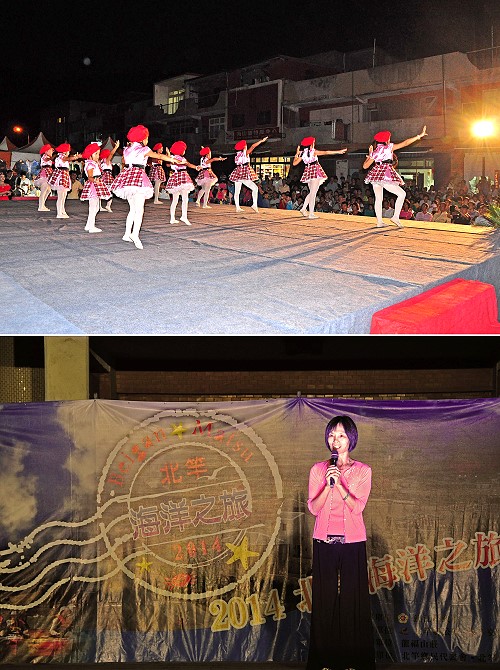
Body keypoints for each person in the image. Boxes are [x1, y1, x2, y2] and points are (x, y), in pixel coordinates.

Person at [307, 415, 374, 670]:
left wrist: (341, 486)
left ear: (351, 439)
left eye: (341, 435)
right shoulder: (318, 470)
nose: (335, 440)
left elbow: (357, 508)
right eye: (332, 435)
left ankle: (352, 661)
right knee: (324, 601)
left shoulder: (363, 471)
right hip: (323, 541)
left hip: (352, 542)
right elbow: (313, 508)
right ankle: (324, 661)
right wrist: (328, 484)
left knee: (351, 600)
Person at [111, 125, 178, 249]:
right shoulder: (144, 149)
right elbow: (159, 156)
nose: (147, 140)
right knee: (139, 209)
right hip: (138, 177)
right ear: (142, 138)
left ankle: (127, 234)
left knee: (132, 209)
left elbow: (124, 162)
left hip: (127, 177)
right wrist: (173, 159)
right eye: (146, 138)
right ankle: (135, 234)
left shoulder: (127, 149)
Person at [363, 126, 427, 228]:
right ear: (386, 140)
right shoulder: (388, 147)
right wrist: (419, 136)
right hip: (385, 174)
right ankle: (395, 217)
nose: (390, 140)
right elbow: (405, 143)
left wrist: (370, 154)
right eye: (389, 138)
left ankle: (379, 222)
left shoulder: (375, 151)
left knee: (378, 198)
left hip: (376, 175)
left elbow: (365, 166)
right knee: (402, 194)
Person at [293, 137, 347, 219]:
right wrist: (338, 152)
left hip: (308, 172)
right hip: (314, 171)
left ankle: (304, 208)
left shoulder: (302, 153)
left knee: (312, 193)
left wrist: (297, 154)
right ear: (311, 144)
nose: (314, 143)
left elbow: (294, 163)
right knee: (313, 194)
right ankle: (311, 213)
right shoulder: (313, 152)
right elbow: (326, 152)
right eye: (313, 142)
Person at [80, 142, 113, 233]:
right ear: (90, 155)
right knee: (93, 207)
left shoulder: (93, 163)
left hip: (96, 184)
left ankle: (89, 225)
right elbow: (90, 177)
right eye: (96, 154)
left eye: (98, 153)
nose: (98, 156)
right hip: (93, 186)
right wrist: (95, 180)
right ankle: (91, 226)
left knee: (95, 207)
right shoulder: (90, 164)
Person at [229, 136, 268, 213]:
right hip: (243, 172)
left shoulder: (237, 155)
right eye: (246, 145)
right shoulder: (245, 153)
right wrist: (261, 141)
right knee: (255, 188)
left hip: (238, 172)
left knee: (237, 191)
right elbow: (253, 146)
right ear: (244, 147)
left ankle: (237, 207)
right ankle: (254, 205)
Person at [165, 140, 198, 225]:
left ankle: (173, 218)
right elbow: (188, 164)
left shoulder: (172, 158)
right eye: (184, 150)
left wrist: (168, 155)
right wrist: (196, 167)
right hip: (182, 177)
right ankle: (183, 217)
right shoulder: (178, 158)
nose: (184, 152)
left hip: (176, 177)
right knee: (184, 199)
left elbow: (168, 164)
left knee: (175, 200)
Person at [47, 143, 83, 218]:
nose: (69, 153)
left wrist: (74, 157)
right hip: (61, 176)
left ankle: (62, 210)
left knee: (63, 196)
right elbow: (68, 159)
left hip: (64, 175)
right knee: (61, 196)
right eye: (68, 151)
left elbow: (68, 158)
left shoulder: (61, 156)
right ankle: (59, 213)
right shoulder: (61, 156)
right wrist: (76, 157)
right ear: (65, 151)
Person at [99, 141, 120, 212]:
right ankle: (108, 206)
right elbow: (111, 154)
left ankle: (100, 206)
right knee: (110, 191)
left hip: (103, 176)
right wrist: (116, 147)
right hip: (107, 177)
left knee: (101, 191)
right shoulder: (106, 160)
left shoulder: (101, 161)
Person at [34, 143, 55, 211]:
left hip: (47, 173)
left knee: (48, 190)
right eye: (51, 150)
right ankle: (41, 206)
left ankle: (42, 204)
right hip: (45, 174)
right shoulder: (45, 156)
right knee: (44, 190)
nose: (52, 151)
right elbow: (48, 159)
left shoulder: (48, 157)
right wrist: (55, 156)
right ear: (46, 151)